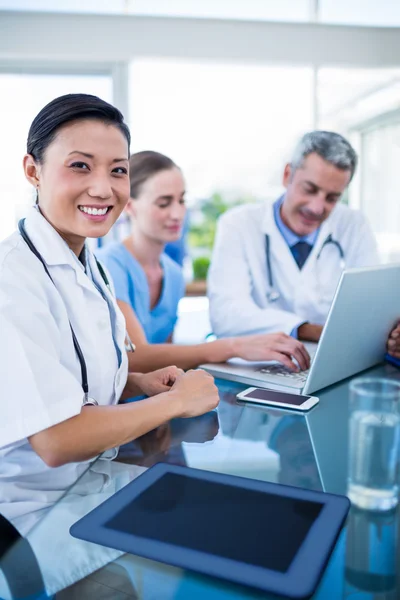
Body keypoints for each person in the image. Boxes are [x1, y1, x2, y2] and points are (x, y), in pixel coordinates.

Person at [0, 94, 219, 529]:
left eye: (118, 170)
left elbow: (69, 378)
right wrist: (176, 402)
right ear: (33, 171)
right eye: (80, 165)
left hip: (92, 489)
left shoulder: (89, 261)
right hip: (29, 521)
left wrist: (134, 381)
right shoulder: (12, 279)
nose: (103, 188)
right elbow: (57, 438)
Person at [98, 151, 310, 373]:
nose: (177, 213)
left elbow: (165, 360)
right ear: (130, 206)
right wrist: (234, 347)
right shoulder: (108, 266)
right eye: (163, 203)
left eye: (181, 200)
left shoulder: (173, 274)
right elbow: (135, 356)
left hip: (156, 399)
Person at [208, 131, 379, 343]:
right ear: (287, 175)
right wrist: (307, 330)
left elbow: (373, 304)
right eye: (309, 189)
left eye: (332, 198)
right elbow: (225, 316)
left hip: (330, 357)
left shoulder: (353, 225)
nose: (317, 208)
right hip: (258, 364)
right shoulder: (238, 225)